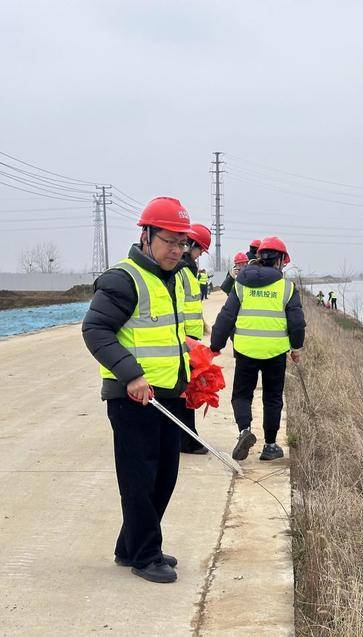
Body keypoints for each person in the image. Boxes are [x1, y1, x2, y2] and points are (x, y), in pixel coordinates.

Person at [81, 196, 192, 584]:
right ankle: (145, 556)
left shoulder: (174, 277)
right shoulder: (122, 278)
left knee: (164, 476)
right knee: (139, 479)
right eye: (169, 241)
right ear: (145, 236)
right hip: (133, 397)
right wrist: (130, 374)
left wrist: (189, 364)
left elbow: (164, 333)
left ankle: (131, 546)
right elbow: (95, 330)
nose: (177, 250)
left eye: (183, 243)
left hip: (168, 396)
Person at [210, 236, 306, 462]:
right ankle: (270, 446)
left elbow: (226, 315)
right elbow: (297, 322)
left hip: (245, 351)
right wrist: (296, 348)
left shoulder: (241, 283)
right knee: (272, 398)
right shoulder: (286, 287)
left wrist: (216, 344)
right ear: (280, 260)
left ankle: (244, 431)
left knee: (242, 395)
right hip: (275, 352)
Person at [176, 223, 212, 454]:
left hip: (190, 337)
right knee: (183, 393)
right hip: (183, 338)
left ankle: (186, 437)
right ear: (193, 245)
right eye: (200, 250)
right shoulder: (181, 269)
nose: (200, 256)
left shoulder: (188, 269)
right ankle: (187, 440)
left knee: (186, 390)